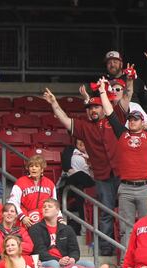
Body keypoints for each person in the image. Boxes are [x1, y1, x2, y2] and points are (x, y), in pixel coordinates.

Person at [99, 76, 147, 246]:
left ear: (143, 122)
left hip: (146, 187)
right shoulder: (122, 134)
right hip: (125, 187)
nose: (132, 121)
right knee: (126, 228)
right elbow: (110, 114)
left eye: (136, 119)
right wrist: (103, 91)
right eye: (130, 119)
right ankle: (126, 264)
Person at [43, 88, 119, 256]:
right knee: (106, 212)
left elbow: (125, 100)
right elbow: (65, 120)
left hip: (123, 173)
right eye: (90, 108)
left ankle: (126, 248)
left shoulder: (114, 120)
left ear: (103, 108)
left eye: (97, 107)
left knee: (126, 212)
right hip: (102, 176)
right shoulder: (85, 127)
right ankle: (106, 249)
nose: (93, 110)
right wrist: (54, 103)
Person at [30, 198, 92, 268]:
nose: (46, 208)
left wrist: (72, 259)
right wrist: (59, 260)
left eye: (49, 206)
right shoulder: (35, 228)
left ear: (57, 211)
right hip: (45, 261)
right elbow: (39, 252)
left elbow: (74, 250)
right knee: (54, 264)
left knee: (89, 264)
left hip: (65, 261)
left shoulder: (67, 229)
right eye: (44, 207)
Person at [7, 155, 58, 228]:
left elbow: (55, 204)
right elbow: (13, 201)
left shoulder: (50, 184)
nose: (33, 168)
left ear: (42, 169)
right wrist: (22, 216)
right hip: (25, 220)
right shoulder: (20, 182)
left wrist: (59, 218)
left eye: (37, 166)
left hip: (44, 221)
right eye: (31, 166)